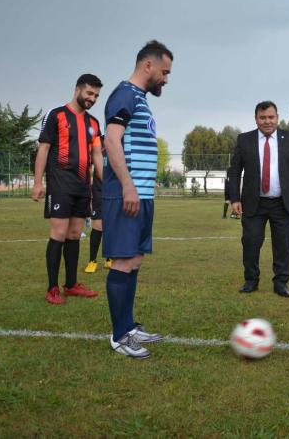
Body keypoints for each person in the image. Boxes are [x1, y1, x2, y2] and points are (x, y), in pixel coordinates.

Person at [102, 40, 173, 359]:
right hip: (126, 194)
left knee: (136, 259)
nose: (166, 79)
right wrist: (128, 186)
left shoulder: (140, 99)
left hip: (142, 195)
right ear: (148, 66)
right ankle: (119, 337)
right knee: (122, 260)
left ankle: (128, 326)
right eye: (164, 72)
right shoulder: (123, 94)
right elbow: (112, 140)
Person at [32, 73, 104, 304]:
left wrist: (107, 183)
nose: (92, 98)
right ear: (77, 90)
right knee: (59, 234)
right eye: (89, 93)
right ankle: (52, 288)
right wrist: (37, 182)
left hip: (83, 186)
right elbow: (43, 149)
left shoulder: (94, 124)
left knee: (74, 235)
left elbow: (96, 156)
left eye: (96, 95)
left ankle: (71, 285)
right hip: (60, 184)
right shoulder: (57, 115)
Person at [227, 101, 289, 297]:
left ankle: (281, 283)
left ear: (277, 118)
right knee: (251, 242)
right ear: (256, 119)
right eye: (262, 118)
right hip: (254, 204)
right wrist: (234, 199)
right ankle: (251, 281)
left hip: (283, 203)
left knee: (283, 246)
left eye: (271, 117)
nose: (267, 121)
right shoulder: (244, 140)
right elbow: (235, 170)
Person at [84, 172, 112, 273]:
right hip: (99, 187)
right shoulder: (99, 155)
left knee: (111, 224)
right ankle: (92, 261)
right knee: (98, 226)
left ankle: (110, 258)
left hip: (114, 184)